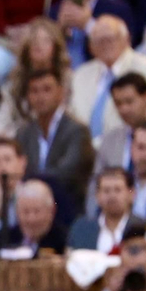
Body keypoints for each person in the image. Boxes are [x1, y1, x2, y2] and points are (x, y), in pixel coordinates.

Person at [69, 16, 146, 141]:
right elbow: (73, 115)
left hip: (124, 145)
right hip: (81, 146)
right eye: (98, 40)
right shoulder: (81, 74)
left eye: (110, 38)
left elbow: (138, 117)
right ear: (90, 46)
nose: (105, 44)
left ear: (126, 39)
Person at [18, 68, 95, 207]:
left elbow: (68, 172)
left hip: (66, 205)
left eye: (47, 90)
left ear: (61, 93)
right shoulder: (24, 132)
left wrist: (33, 181)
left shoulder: (77, 130)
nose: (40, 96)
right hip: (30, 204)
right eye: (34, 91)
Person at [0, 17, 71, 135]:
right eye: (34, 40)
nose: (39, 45)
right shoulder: (14, 84)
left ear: (56, 47)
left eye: (45, 40)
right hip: (21, 140)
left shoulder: (68, 80)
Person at [68, 165, 146, 250]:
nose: (112, 196)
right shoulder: (82, 228)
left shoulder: (144, 228)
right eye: (106, 190)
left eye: (117, 190)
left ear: (131, 194)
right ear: (97, 196)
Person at [0, 178, 71, 256]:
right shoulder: (7, 239)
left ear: (52, 210)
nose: (31, 219)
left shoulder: (64, 240)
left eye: (37, 211)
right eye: (26, 212)